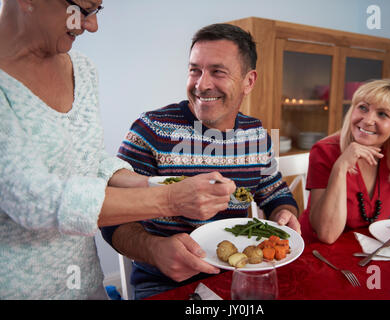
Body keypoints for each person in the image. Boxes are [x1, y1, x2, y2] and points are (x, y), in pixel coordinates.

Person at [0, 0, 234, 299]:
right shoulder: (151, 127)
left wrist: (156, 183)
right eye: (83, 8)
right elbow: (35, 200)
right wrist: (171, 199)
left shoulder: (82, 69)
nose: (92, 25)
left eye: (97, 10)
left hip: (85, 282)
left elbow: (90, 159)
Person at [101, 23, 301, 299]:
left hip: (239, 273)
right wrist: (153, 249)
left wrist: (283, 212)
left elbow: (274, 192)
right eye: (195, 69)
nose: (201, 84)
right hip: (164, 281)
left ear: (249, 81)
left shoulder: (257, 135)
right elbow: (109, 216)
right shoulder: (151, 129)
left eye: (217, 72)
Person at [300, 79, 390, 244]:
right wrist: (341, 167)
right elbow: (327, 234)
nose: (368, 120)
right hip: (317, 251)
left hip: (367, 245)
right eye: (363, 107)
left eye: (382, 114)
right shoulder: (325, 151)